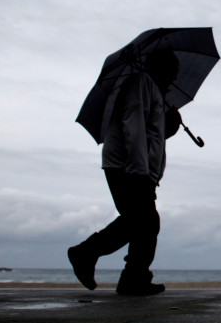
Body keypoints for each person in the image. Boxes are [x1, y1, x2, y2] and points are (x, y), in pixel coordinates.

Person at [68, 49, 180, 295]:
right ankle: (88, 254)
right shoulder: (141, 83)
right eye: (172, 72)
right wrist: (139, 170)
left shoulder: (155, 92)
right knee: (143, 220)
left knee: (144, 221)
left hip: (138, 167)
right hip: (126, 165)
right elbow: (133, 125)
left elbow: (153, 135)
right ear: (161, 68)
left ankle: (132, 277)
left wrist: (169, 125)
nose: (173, 79)